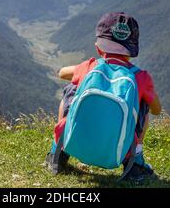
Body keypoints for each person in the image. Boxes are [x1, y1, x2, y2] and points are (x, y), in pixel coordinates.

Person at [46, 12, 162, 183]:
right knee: (143, 106)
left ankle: (58, 154)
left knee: (71, 89)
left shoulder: (90, 67)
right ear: (132, 51)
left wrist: (79, 72)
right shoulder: (142, 78)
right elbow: (157, 110)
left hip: (77, 144)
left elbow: (62, 72)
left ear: (99, 48)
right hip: (119, 151)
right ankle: (135, 163)